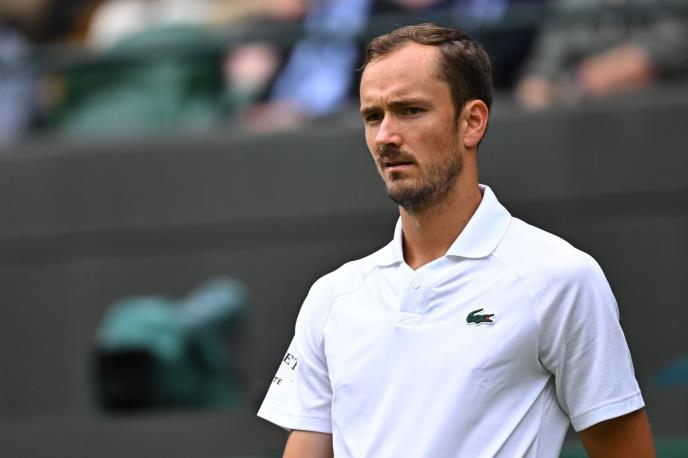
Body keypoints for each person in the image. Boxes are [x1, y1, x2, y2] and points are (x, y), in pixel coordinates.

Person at [257, 23, 654, 457]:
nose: (386, 136)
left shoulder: (561, 278)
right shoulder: (331, 297)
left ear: (472, 122)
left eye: (410, 110)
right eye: (373, 116)